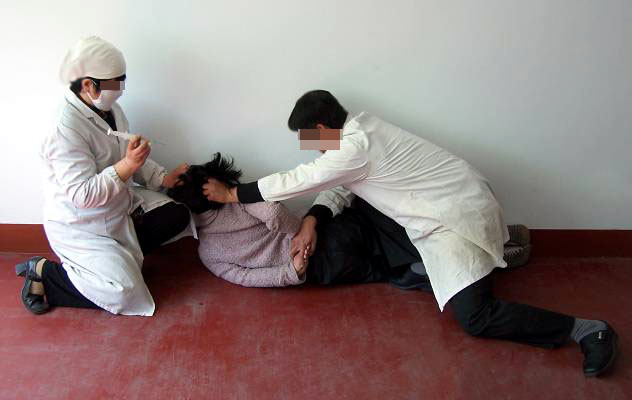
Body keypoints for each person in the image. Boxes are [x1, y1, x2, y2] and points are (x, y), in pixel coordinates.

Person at [202, 90, 617, 376]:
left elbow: (299, 179)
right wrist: (311, 220)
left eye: (309, 138)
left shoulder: (353, 148)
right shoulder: (361, 130)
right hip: (454, 201)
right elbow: (338, 185)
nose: (308, 146)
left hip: (453, 217)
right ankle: (498, 247)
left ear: (323, 126)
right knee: (369, 219)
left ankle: (585, 329)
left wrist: (232, 194)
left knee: (475, 318)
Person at [15, 36, 192, 316]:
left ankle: (118, 263)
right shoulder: (64, 128)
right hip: (82, 223)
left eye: (122, 80)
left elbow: (127, 152)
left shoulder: (111, 110)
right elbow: (82, 195)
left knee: (178, 214)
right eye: (116, 83)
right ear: (88, 85)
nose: (121, 90)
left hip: (117, 206)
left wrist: (163, 178)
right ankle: (45, 273)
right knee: (124, 292)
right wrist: (127, 166)